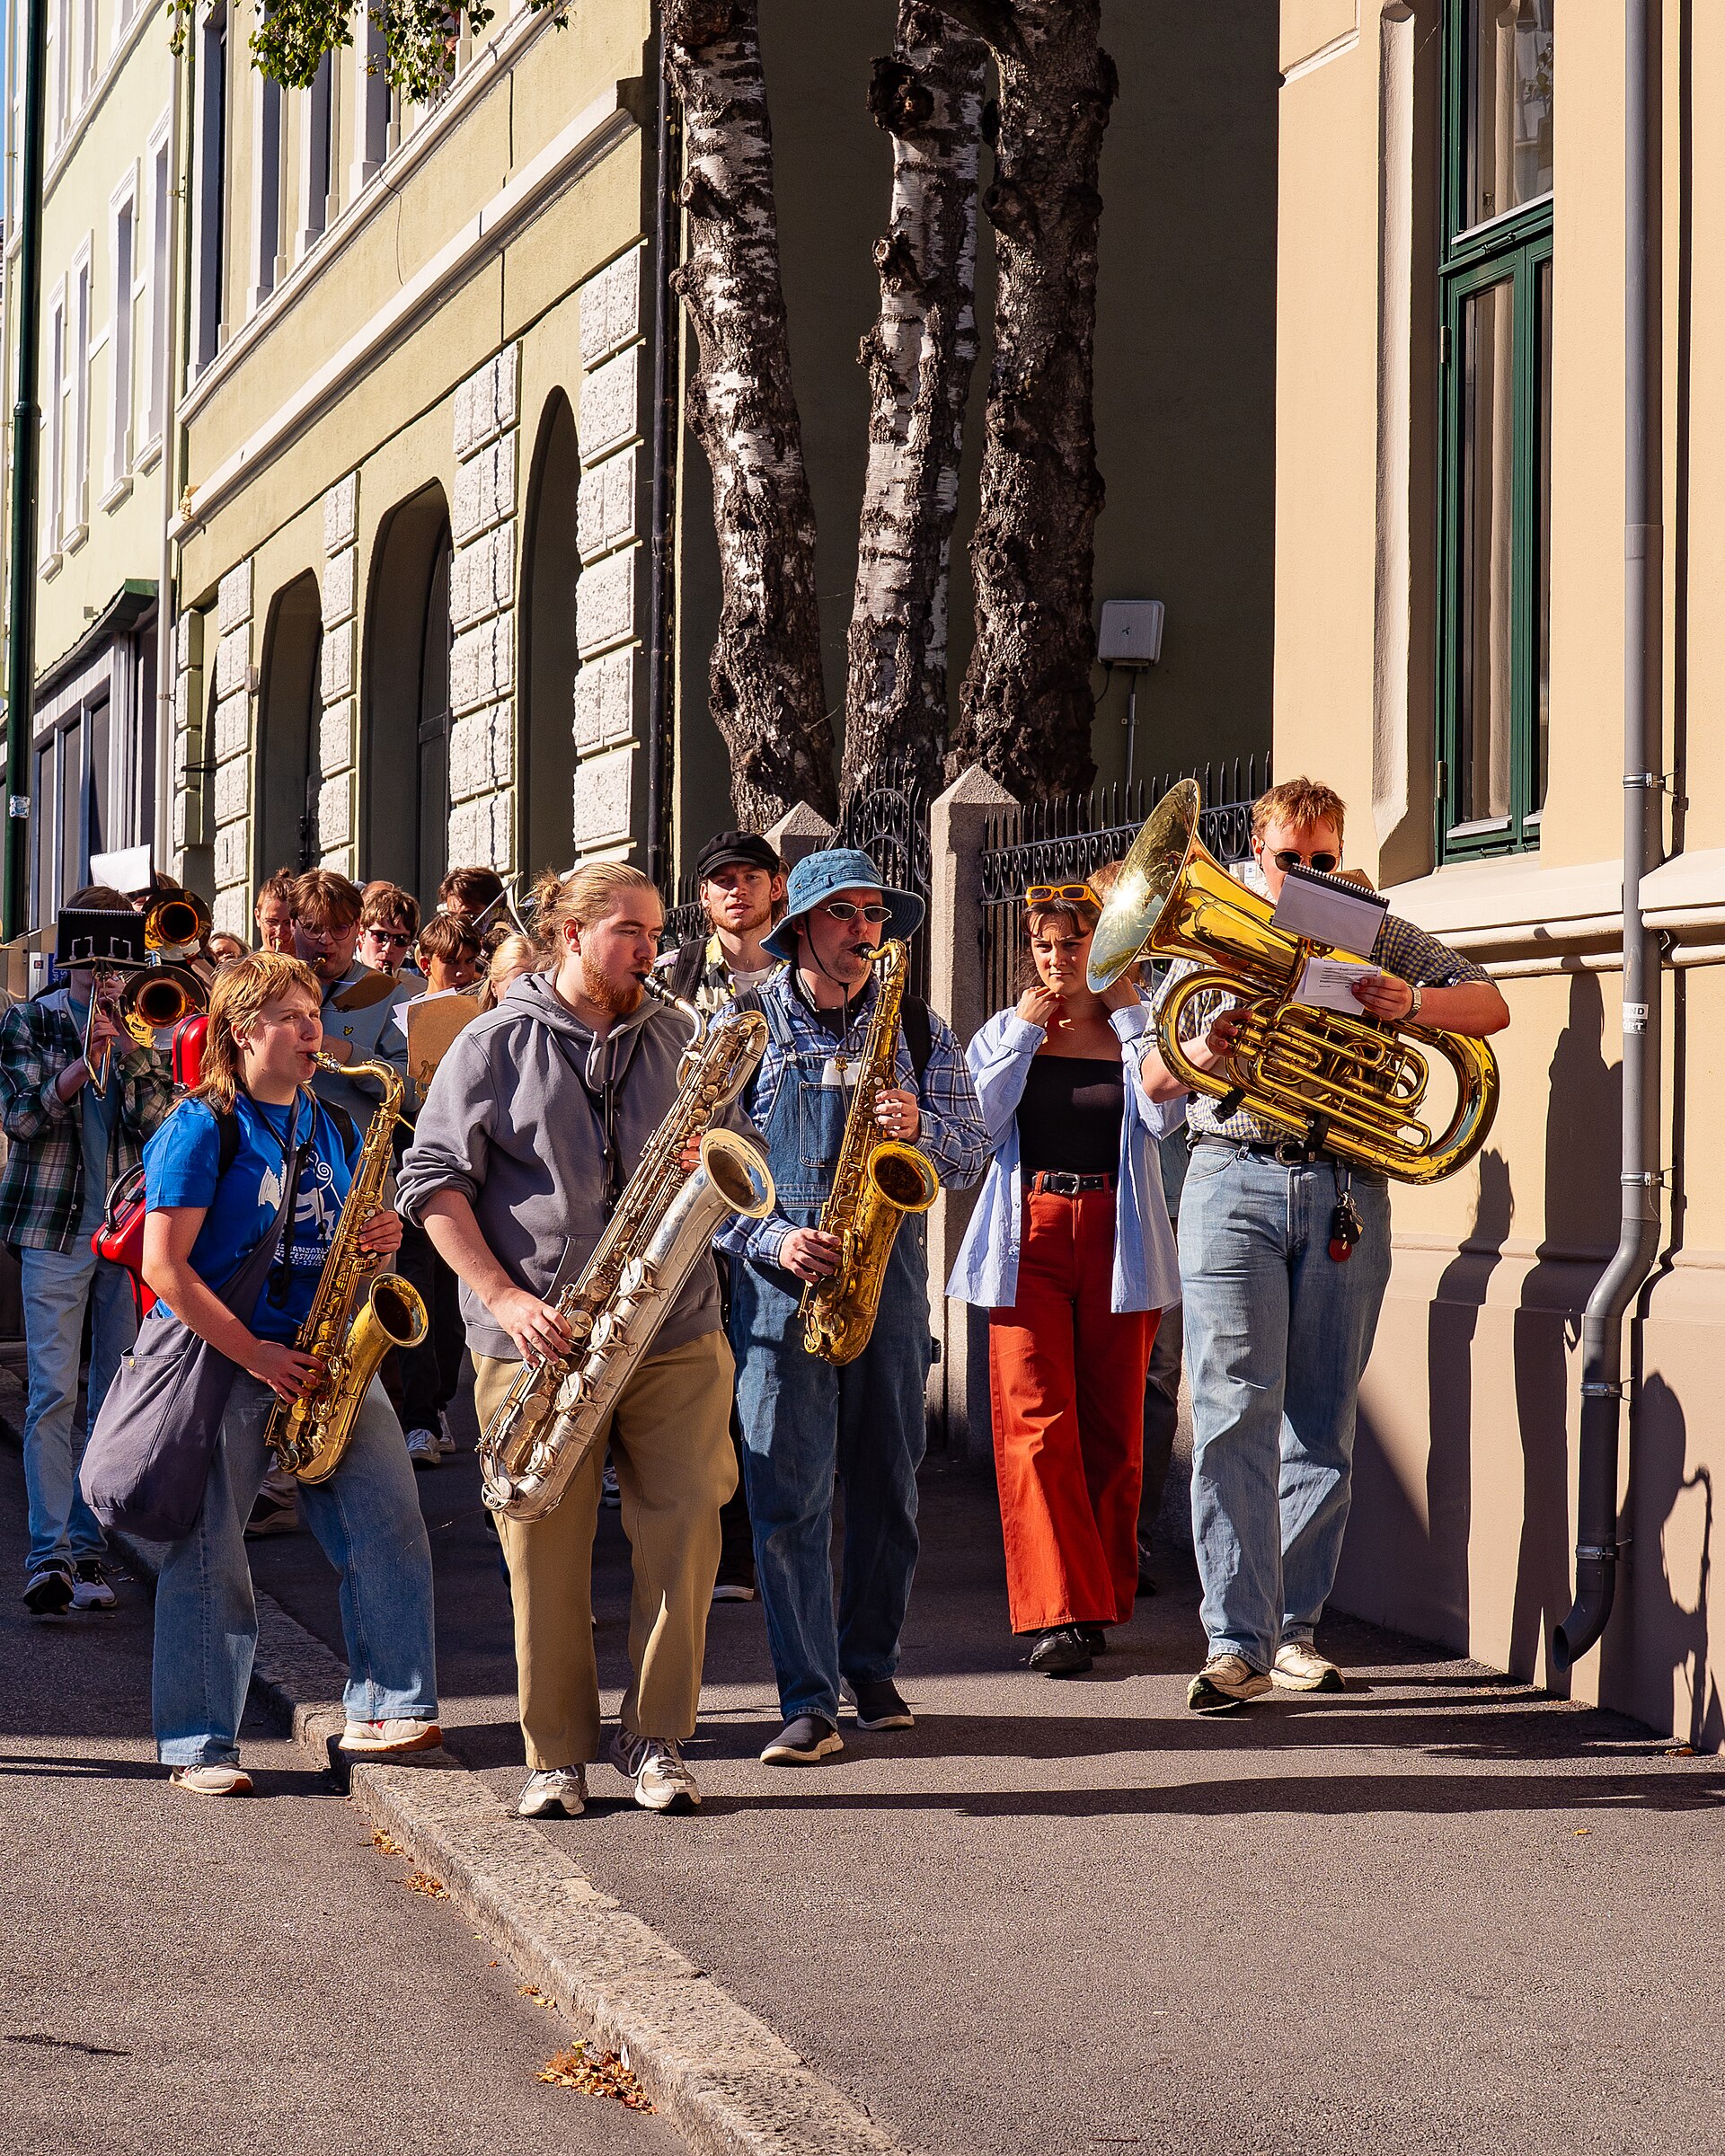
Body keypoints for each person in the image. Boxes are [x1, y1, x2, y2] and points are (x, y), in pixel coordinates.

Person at [1138, 777, 1510, 1710]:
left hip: (1346, 1184)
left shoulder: (1375, 931)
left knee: (1321, 1418)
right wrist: (1211, 1052)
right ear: (1253, 850)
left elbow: (1490, 1005)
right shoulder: (1212, 934)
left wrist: (1409, 1007)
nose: (1305, 873)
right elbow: (1152, 1074)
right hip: (1232, 1176)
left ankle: (1294, 1634)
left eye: (1320, 857)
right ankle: (1235, 1643)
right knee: (1230, 1411)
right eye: (1287, 857)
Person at [397, 862, 748, 1820]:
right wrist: (505, 1299)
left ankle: (661, 1739)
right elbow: (431, 1181)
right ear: (572, 935)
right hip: (540, 1333)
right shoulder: (491, 1042)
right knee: (541, 1543)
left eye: (654, 930)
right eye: (631, 931)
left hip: (673, 1324)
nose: (650, 949)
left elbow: (735, 1151)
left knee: (685, 1533)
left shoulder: (682, 1036)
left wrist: (699, 1159)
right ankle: (556, 1754)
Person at [139, 952, 440, 1795]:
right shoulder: (204, 1125)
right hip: (227, 1356)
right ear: (243, 1032)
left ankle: (389, 1705)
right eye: (293, 1018)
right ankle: (199, 1743)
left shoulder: (334, 1121)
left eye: (315, 1014)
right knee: (211, 1555)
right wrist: (257, 1354)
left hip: (329, 1353)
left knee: (389, 1521)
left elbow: (335, 1231)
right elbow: (166, 1268)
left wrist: (378, 1234)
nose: (316, 1032)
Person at [717, 847, 988, 1765]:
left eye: (875, 915)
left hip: (891, 1281)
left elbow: (972, 1153)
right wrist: (775, 1238)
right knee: (786, 1494)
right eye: (844, 913)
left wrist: (925, 1127)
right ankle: (806, 1693)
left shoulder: (916, 1024)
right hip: (779, 1289)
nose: (864, 930)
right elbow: (702, 1176)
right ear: (800, 927)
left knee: (890, 1485)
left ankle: (870, 1664)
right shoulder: (742, 1024)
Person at [949, 880, 1181, 1676]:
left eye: (1073, 945)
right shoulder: (1007, 1029)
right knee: (1035, 1424)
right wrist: (1021, 1033)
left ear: (1104, 947)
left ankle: (1101, 1597)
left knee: (1114, 1432)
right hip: (1031, 1234)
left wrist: (1126, 1015)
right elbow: (975, 1129)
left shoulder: (1138, 1029)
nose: (1057, 960)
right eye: (1044, 947)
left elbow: (1165, 1114)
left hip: (1120, 1235)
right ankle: (1058, 1613)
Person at [0, 896, 176, 1613]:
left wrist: (129, 1053)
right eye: (96, 959)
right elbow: (20, 1118)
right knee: (51, 1394)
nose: (105, 972)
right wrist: (80, 1065)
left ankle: (91, 1546)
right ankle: (50, 1558)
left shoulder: (143, 1027)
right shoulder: (29, 1020)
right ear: (73, 954)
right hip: (54, 1230)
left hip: (126, 1233)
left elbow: (165, 1123)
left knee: (114, 1394)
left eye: (117, 961)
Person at [656, 829, 789, 1602]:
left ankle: (747, 1546)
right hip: (685, 1201)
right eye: (720, 880)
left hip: (777, 1199)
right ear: (703, 898)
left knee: (760, 1372)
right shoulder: (671, 976)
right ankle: (696, 1537)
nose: (736, 891)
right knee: (691, 1377)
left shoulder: (805, 976)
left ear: (777, 886)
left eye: (751, 877)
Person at [388, 913, 484, 1469]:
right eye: (454, 965)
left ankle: (440, 1402)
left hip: (464, 1177)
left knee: (451, 1308)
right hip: (412, 1171)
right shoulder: (396, 1017)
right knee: (416, 1289)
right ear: (425, 964)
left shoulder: (482, 1017)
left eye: (472, 964)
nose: (464, 974)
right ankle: (419, 1418)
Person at [357, 883, 421, 979]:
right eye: (380, 936)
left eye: (401, 939)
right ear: (362, 934)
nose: (388, 948)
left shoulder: (418, 990)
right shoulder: (335, 981)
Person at [477, 931, 542, 1013]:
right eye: (514, 988)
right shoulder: (477, 1024)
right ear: (494, 988)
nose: (525, 995)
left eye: (533, 986)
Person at [254, 869, 297, 955]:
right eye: (271, 922)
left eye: (288, 923)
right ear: (258, 917)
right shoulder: (245, 968)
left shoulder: (313, 966)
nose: (280, 932)